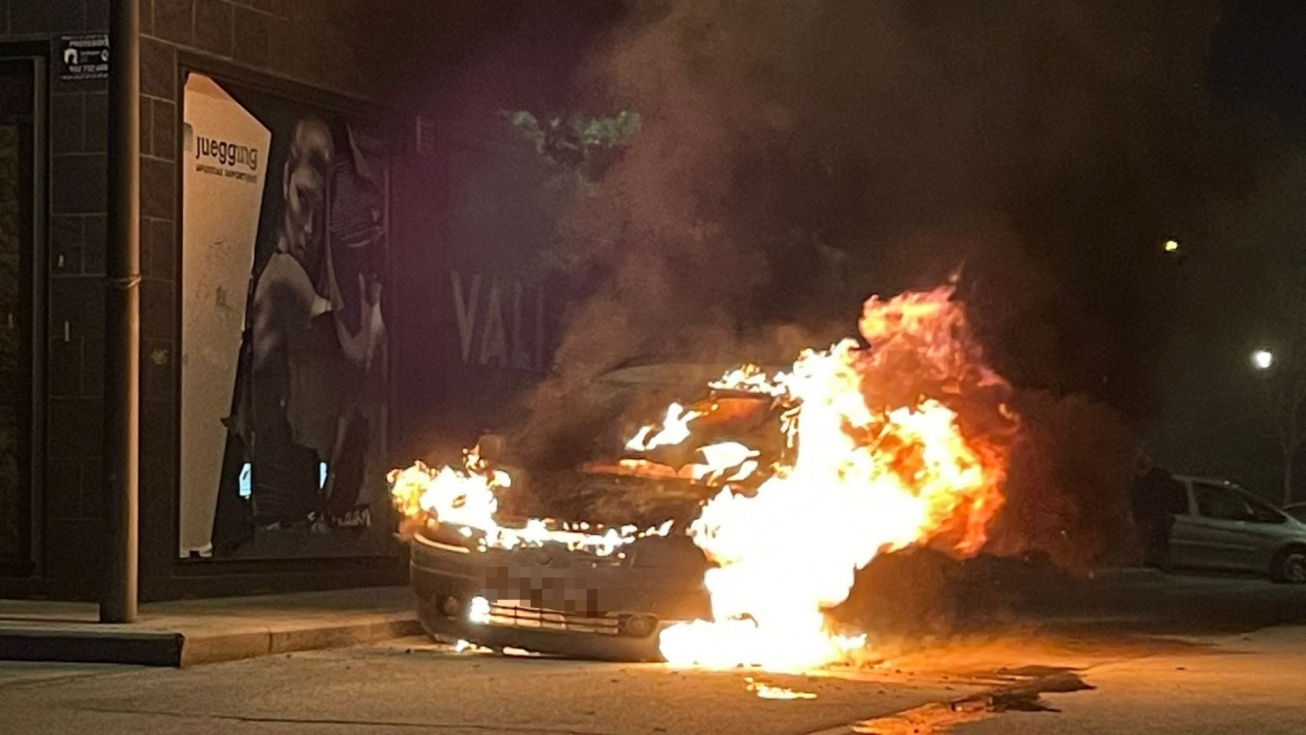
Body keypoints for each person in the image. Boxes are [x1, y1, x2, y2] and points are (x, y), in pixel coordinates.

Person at [235, 117, 385, 532]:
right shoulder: (285, 278)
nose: (311, 227)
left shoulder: (302, 280)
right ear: (285, 180)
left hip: (291, 470)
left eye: (322, 207)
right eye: (304, 199)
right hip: (277, 469)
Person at [1130, 454, 1187, 570]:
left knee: (1149, 544)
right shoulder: (1162, 479)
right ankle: (1160, 566)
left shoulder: (1149, 483)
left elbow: (1141, 502)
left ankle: (1152, 566)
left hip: (1152, 518)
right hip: (1161, 517)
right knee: (1160, 545)